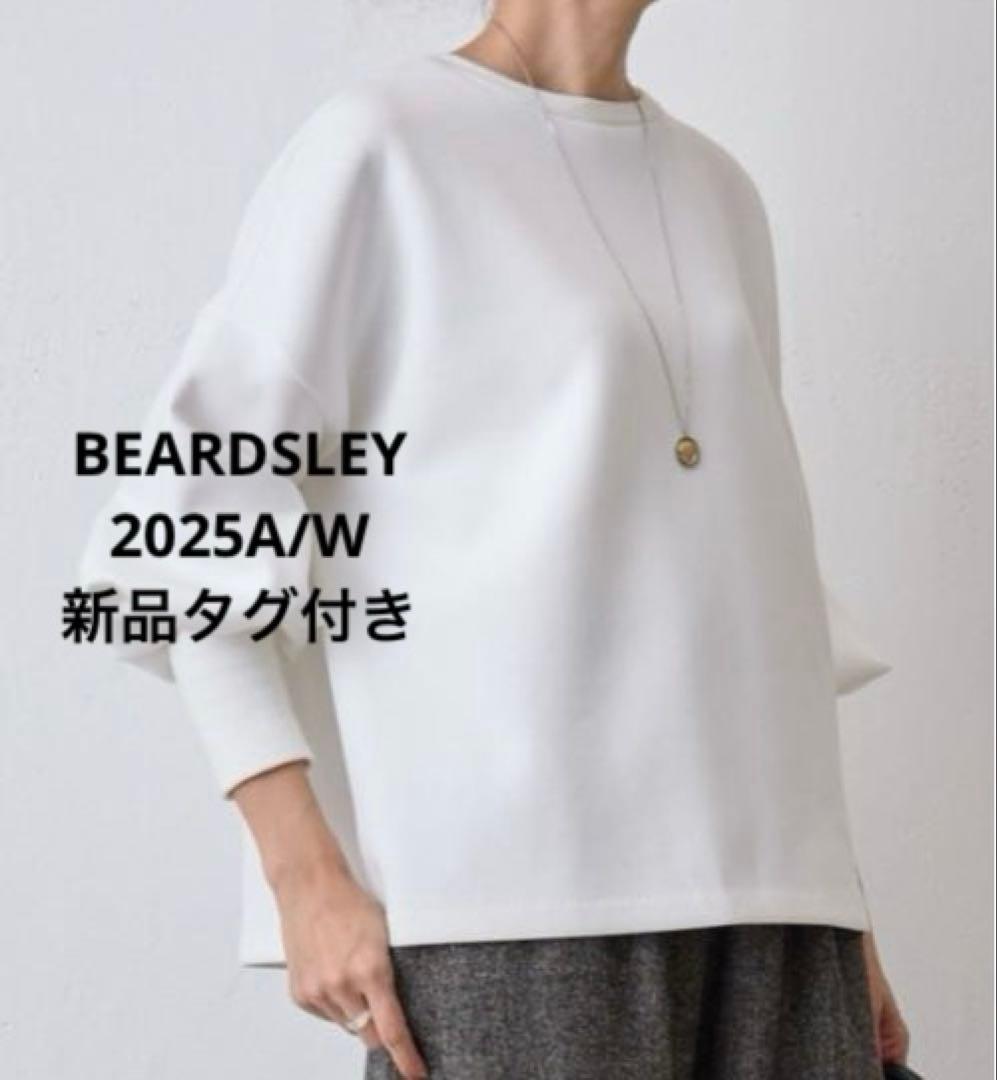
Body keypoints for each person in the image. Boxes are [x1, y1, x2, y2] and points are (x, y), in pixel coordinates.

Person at [78, 1, 911, 1076]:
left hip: (780, 925)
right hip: (508, 914)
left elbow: (756, 578)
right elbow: (184, 518)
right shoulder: (382, 145)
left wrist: (841, 902)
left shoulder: (721, 191)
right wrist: (303, 880)